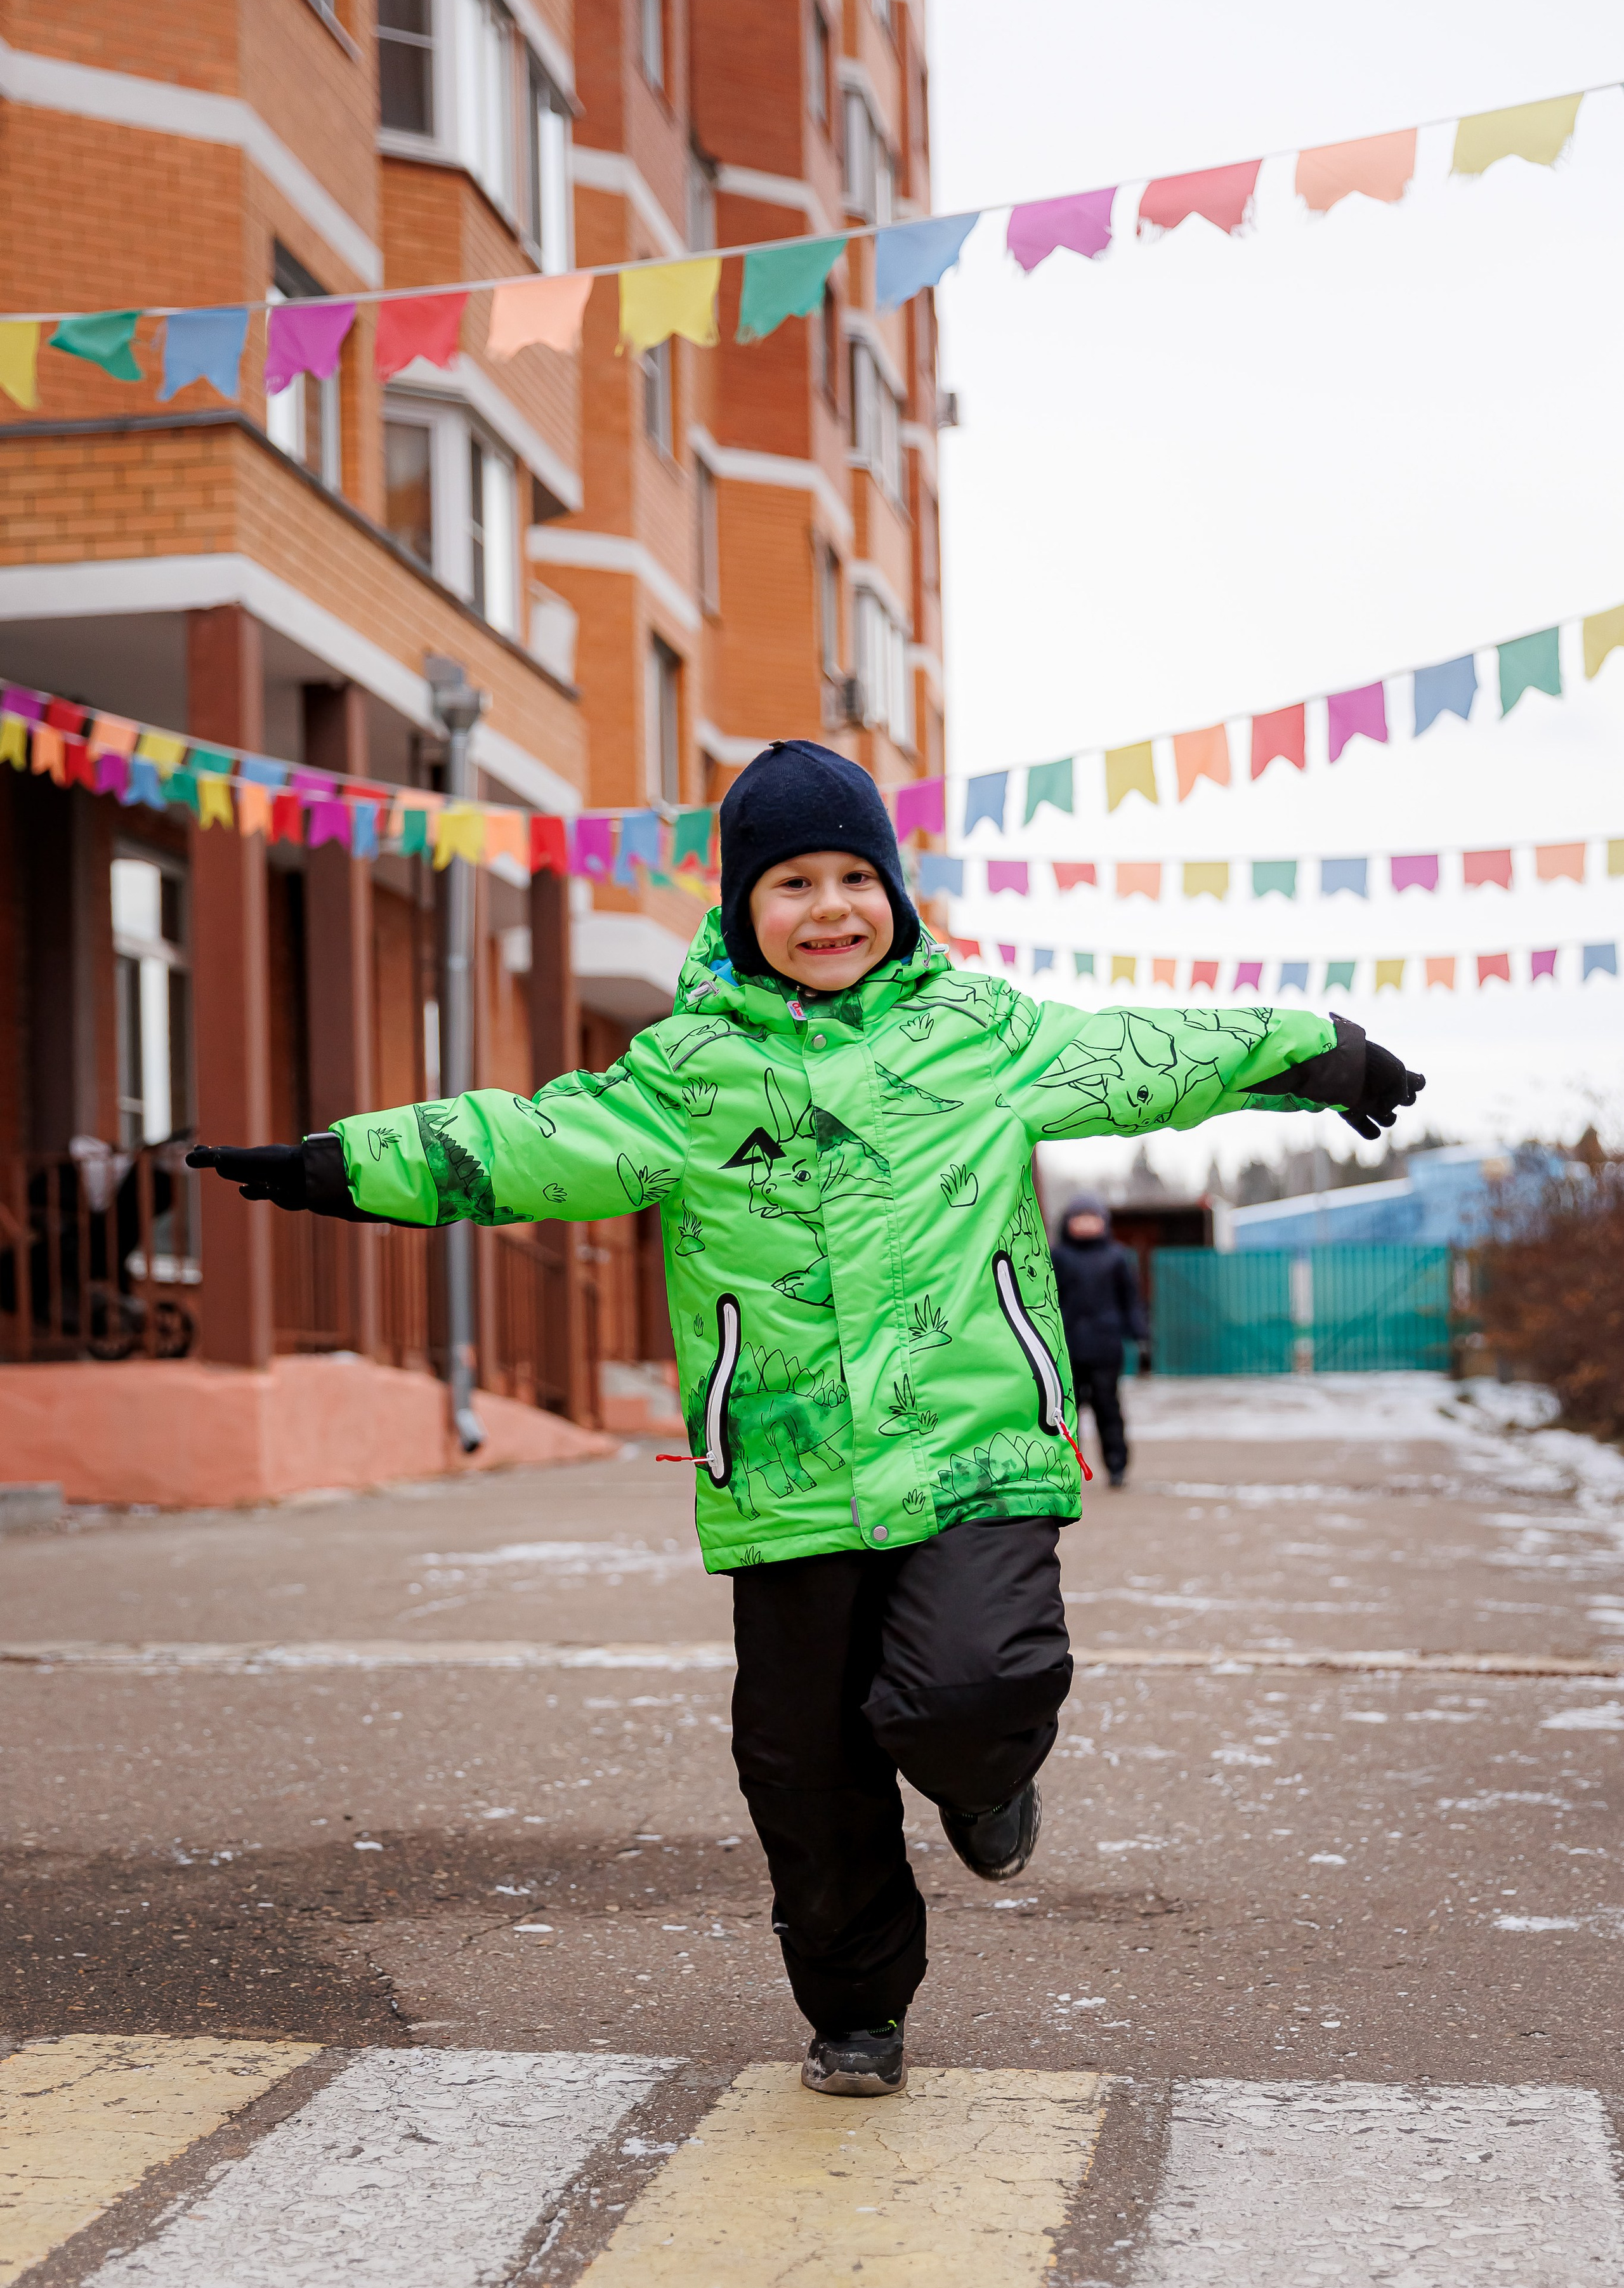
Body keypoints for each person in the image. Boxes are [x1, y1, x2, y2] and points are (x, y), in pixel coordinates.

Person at [189, 739, 1425, 2098]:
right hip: (783, 1467)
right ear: (737, 910)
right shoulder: (686, 1074)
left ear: (893, 889)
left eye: (854, 877)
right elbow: (531, 1142)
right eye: (790, 883)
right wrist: (334, 1166)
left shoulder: (982, 1035)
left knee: (977, 1680)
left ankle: (983, 1781)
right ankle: (855, 2011)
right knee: (803, 1765)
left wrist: (1318, 1050)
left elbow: (1144, 1057)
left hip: (975, 1447)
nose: (829, 908)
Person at [1051, 1193, 1148, 1489]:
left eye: (1091, 1219)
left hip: (1106, 1346)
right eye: (1079, 1219)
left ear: (1103, 1223)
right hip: (1066, 1347)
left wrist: (1141, 1338)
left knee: (1108, 1407)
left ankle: (1116, 1466)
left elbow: (1130, 1300)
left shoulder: (1116, 1256)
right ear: (1068, 1224)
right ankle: (1064, 1468)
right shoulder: (1057, 1256)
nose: (1085, 1225)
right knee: (1066, 1411)